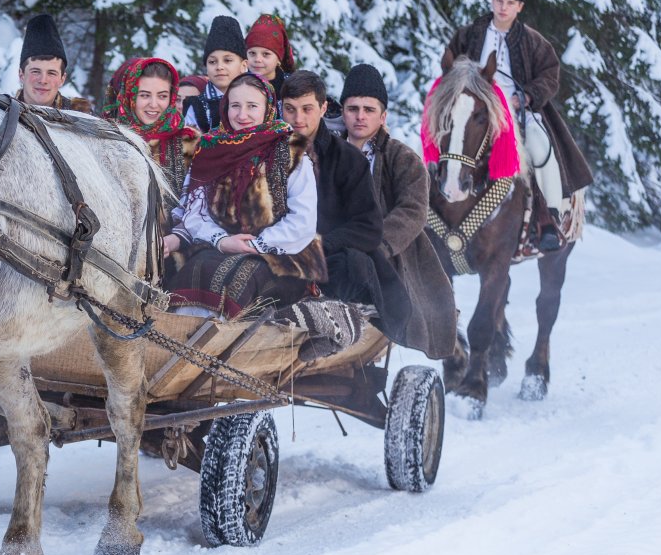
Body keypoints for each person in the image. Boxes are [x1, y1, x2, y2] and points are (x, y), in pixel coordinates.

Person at [445, 0, 593, 250]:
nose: (503, 7)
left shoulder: (533, 41)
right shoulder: (469, 34)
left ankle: (548, 218)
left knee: (541, 150)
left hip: (517, 114)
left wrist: (526, 97)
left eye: (510, 3)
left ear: (520, 6)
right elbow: (451, 67)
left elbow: (550, 75)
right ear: (492, 0)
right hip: (474, 112)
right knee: (443, 143)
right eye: (499, 0)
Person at [164, 73, 324, 318]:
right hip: (219, 248)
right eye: (235, 106)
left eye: (252, 106)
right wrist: (221, 240)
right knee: (191, 270)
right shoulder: (210, 149)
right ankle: (176, 337)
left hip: (281, 255)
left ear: (268, 109)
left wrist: (255, 245)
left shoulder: (291, 152)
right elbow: (195, 213)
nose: (242, 115)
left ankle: (210, 346)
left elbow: (302, 221)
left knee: (234, 278)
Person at [339, 64, 458, 359]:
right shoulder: (327, 153)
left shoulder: (401, 158)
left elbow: (413, 211)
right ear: (343, 112)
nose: (360, 116)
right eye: (353, 108)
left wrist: (376, 244)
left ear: (383, 115)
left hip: (389, 254)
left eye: (369, 109)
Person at [280, 70, 411, 335]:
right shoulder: (270, 152)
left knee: (350, 267)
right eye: (290, 109)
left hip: (328, 254)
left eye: (307, 109)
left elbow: (368, 227)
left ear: (323, 108)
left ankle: (336, 322)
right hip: (278, 248)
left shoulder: (348, 159)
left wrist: (321, 244)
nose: (298, 119)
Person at [106, 58, 199, 189]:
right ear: (128, 96)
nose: (154, 104)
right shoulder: (107, 140)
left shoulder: (190, 142)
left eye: (162, 96)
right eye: (144, 95)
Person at [183, 16, 248, 131]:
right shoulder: (198, 106)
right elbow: (189, 144)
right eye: (212, 62)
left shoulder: (256, 98)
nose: (219, 67)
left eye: (227, 60)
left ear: (243, 66)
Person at [16, 13, 92, 112]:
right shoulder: (1, 114)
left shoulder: (82, 117)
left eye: (51, 73)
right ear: (21, 75)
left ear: (62, 79)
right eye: (35, 71)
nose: (43, 80)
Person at [245, 13, 296, 99]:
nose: (257, 59)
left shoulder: (292, 88)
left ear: (279, 59)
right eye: (252, 53)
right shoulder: (237, 85)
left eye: (266, 54)